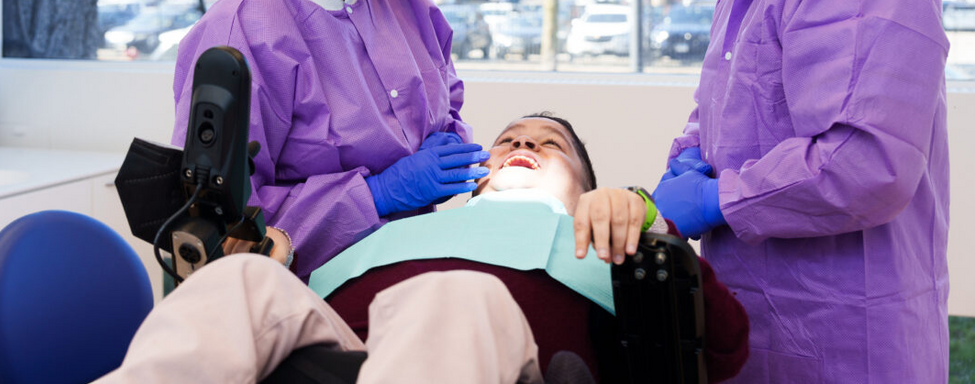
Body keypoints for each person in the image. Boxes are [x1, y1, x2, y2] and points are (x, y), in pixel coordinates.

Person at [647, 0, 949, 382]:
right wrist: (690, 155)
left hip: (847, 335)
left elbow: (865, 164)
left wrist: (717, 199)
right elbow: (724, 106)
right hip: (765, 323)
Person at [97, 115, 749, 384]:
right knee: (239, 279)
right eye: (509, 139)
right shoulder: (395, 231)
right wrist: (273, 257)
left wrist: (649, 220)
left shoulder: (604, 237)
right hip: (342, 359)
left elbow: (723, 347)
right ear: (479, 175)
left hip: (495, 359)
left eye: (550, 145)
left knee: (455, 292)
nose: (524, 144)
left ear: (587, 188)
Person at [171, 0, 487, 278]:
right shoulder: (241, 33)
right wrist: (375, 195)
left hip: (412, 256)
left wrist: (449, 141)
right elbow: (228, 224)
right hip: (311, 284)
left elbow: (445, 92)